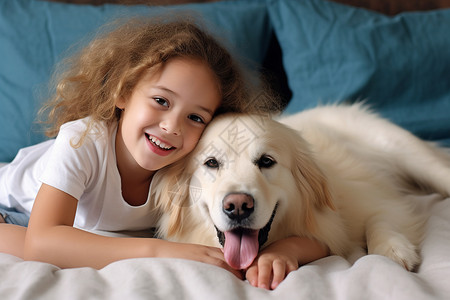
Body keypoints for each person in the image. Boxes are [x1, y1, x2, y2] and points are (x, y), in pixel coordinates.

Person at [0, 16, 328, 290]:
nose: (172, 127)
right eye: (161, 101)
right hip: (10, 206)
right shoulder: (83, 142)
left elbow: (321, 238)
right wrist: (161, 251)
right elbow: (42, 243)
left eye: (195, 117)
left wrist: (284, 250)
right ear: (123, 92)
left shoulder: (190, 164)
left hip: (68, 229)